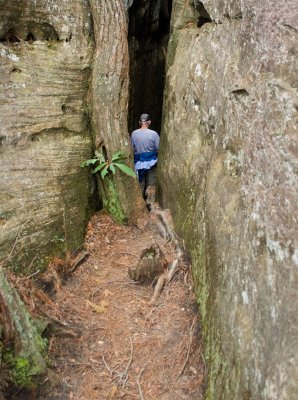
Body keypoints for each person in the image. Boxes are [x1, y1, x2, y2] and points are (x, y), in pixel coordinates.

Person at [131, 113, 160, 205]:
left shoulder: (134, 133)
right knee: (151, 184)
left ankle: (140, 204)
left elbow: (132, 149)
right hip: (152, 162)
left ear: (140, 122)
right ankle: (150, 205)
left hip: (139, 163)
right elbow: (158, 149)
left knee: (140, 184)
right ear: (149, 122)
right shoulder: (154, 134)